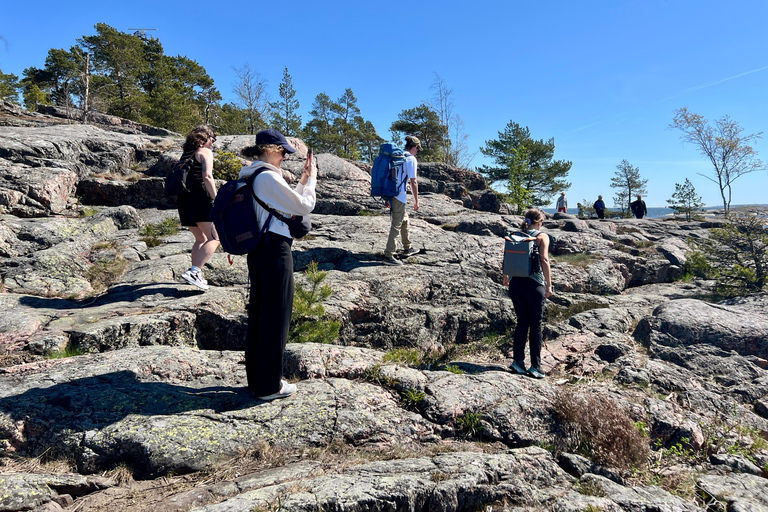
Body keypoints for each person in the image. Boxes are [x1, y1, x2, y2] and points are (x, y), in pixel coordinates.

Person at [239, 129, 317, 400]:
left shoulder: (250, 174)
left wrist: (303, 179)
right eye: (283, 152)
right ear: (271, 149)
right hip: (276, 249)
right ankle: (270, 386)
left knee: (260, 315)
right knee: (277, 317)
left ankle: (257, 380)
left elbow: (283, 205)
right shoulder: (268, 177)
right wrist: (313, 179)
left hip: (258, 249)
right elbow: (304, 206)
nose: (284, 157)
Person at [505, 209, 553, 379]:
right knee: (536, 325)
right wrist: (549, 284)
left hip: (516, 283)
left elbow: (507, 257)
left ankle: (518, 362)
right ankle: (535, 366)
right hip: (534, 284)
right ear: (539, 222)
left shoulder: (515, 235)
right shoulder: (542, 236)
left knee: (521, 323)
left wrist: (506, 277)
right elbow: (544, 259)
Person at [177, 124, 219, 291]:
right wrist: (216, 199)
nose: (213, 143)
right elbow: (207, 176)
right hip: (200, 198)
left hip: (184, 200)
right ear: (205, 138)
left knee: (200, 239)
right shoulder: (205, 152)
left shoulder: (186, 155)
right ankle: (195, 272)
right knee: (215, 238)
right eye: (213, 139)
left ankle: (195, 274)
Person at [383, 135, 421, 266]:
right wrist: (416, 200)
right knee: (396, 224)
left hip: (391, 193)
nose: (417, 152)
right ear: (415, 147)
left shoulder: (397, 156)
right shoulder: (410, 159)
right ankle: (388, 255)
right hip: (399, 195)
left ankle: (407, 247)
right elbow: (413, 181)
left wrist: (387, 198)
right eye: (418, 149)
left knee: (404, 219)